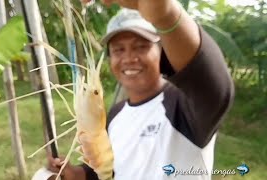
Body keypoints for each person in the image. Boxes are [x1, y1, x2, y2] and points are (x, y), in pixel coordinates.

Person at [48, 0, 234, 179]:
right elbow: (110, 168)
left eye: (141, 47)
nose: (129, 58)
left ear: (161, 51)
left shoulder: (183, 104)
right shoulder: (115, 114)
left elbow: (215, 88)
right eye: (118, 50)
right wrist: (77, 174)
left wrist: (165, 14)